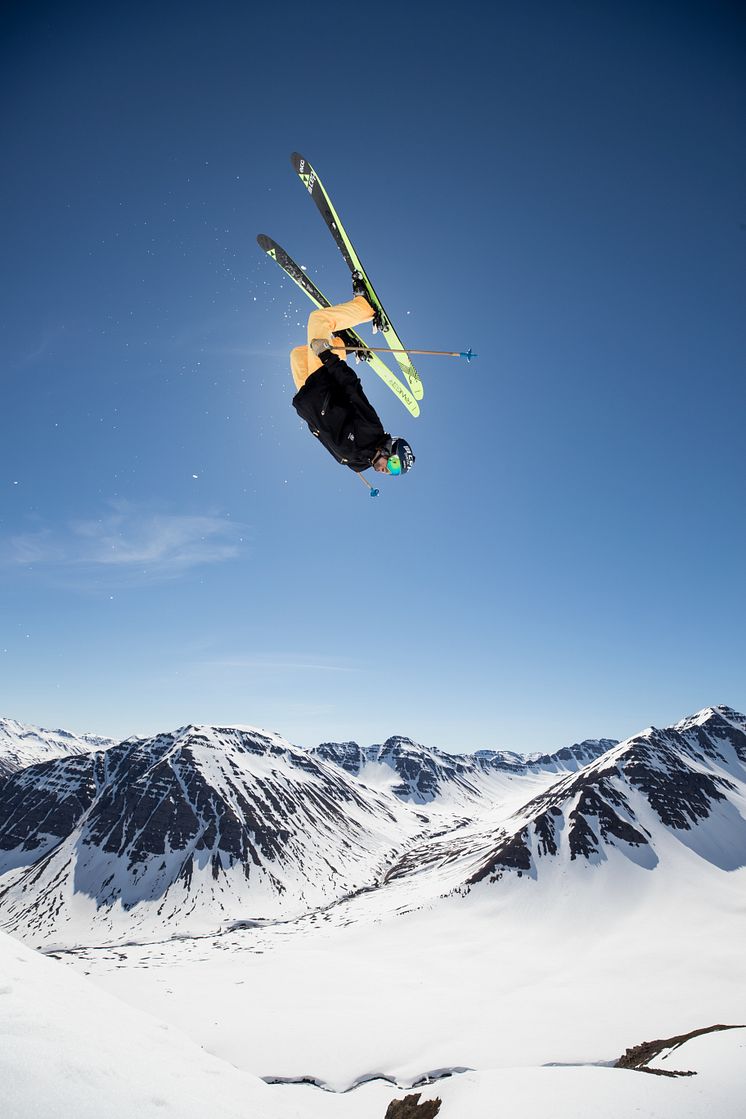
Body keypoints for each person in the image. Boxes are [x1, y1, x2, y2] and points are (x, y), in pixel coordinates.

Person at [290, 289, 415, 479]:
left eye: (393, 472)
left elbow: (327, 439)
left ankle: (343, 343)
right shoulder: (372, 429)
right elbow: (352, 387)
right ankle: (364, 307)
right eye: (393, 464)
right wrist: (326, 356)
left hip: (308, 398)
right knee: (317, 320)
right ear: (390, 449)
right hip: (323, 382)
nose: (386, 470)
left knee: (297, 355)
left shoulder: (358, 466)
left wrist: (311, 421)